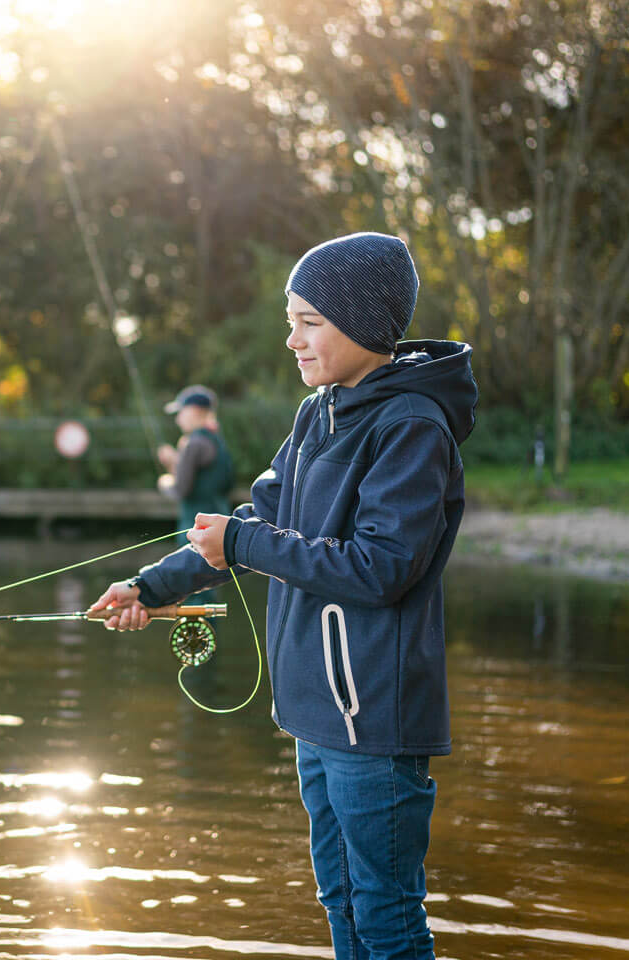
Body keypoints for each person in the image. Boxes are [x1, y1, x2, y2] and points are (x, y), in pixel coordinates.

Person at [91, 232, 477, 960]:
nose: (292, 339)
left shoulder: (413, 427)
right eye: (290, 318)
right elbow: (255, 526)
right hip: (312, 711)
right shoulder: (318, 412)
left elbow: (380, 567)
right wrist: (150, 585)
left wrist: (241, 543)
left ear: (363, 322)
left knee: (387, 915)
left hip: (375, 719)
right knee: (339, 899)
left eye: (311, 322)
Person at [156, 384, 234, 545]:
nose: (178, 419)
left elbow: (180, 490)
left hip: (195, 537)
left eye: (181, 412)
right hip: (221, 534)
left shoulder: (194, 444)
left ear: (194, 411)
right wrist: (175, 462)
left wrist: (164, 482)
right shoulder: (217, 441)